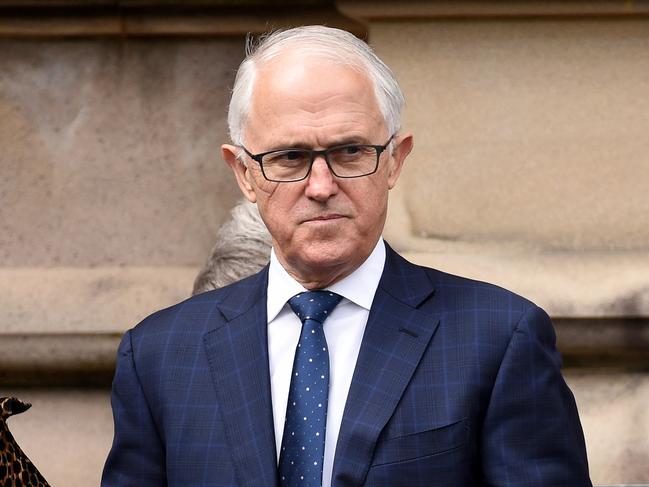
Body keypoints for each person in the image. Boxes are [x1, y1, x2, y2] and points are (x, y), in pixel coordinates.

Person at [102, 25, 592, 487]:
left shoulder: (499, 338)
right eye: (289, 157)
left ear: (395, 160)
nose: (321, 187)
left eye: (351, 151)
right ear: (244, 174)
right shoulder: (159, 357)